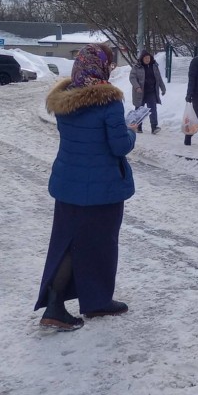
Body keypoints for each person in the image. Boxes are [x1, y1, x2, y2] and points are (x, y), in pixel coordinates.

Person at [34, 43, 137, 331]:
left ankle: (55, 305)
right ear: (101, 66)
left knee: (66, 243)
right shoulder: (109, 101)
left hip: (68, 185)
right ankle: (96, 301)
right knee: (101, 245)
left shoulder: (64, 101)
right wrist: (130, 131)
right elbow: (119, 146)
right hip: (103, 189)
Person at [129, 49, 167, 134]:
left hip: (151, 92)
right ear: (142, 59)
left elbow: (158, 78)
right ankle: (138, 127)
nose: (147, 59)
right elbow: (132, 78)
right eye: (145, 58)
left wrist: (163, 88)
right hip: (140, 92)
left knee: (153, 109)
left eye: (148, 58)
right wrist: (137, 87)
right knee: (139, 110)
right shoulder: (136, 67)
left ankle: (154, 127)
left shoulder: (154, 66)